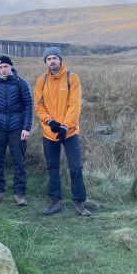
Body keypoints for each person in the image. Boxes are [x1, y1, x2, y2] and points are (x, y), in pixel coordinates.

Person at [34, 46, 90, 216]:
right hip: (49, 132)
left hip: (70, 132)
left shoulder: (72, 78)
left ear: (60, 60)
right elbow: (38, 106)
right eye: (48, 59)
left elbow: (75, 105)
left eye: (54, 58)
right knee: (52, 168)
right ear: (45, 62)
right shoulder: (41, 81)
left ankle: (79, 203)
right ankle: (55, 202)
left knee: (76, 167)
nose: (52, 61)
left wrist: (66, 126)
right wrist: (49, 121)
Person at [0, 55, 33, 206]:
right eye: (0, 67)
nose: (3, 69)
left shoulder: (21, 83)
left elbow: (29, 105)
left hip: (17, 127)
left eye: (6, 66)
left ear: (11, 66)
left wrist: (26, 128)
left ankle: (19, 194)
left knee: (19, 162)